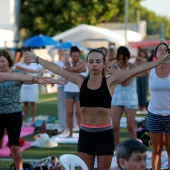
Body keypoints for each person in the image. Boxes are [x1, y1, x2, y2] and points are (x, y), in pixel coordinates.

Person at [27, 48, 170, 170]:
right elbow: (57, 69)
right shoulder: (79, 80)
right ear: (87, 64)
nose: (94, 64)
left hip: (105, 136)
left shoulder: (110, 81)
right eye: (91, 61)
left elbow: (138, 69)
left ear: (103, 64)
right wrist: (37, 59)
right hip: (85, 135)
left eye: (98, 61)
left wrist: (159, 61)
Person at [0, 49, 67, 170]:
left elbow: (36, 79)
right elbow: (31, 78)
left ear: (8, 61)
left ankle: (18, 168)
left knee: (14, 146)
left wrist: (56, 81)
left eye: (3, 61)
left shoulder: (17, 72)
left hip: (13, 114)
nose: (1, 64)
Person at [111, 46, 145, 148]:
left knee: (131, 126)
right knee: (114, 126)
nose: (121, 61)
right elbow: (120, 80)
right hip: (117, 98)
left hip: (130, 99)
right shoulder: (114, 67)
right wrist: (125, 75)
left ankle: (134, 149)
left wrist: (119, 77)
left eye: (123, 59)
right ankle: (116, 150)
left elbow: (125, 82)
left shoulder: (132, 66)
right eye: (119, 58)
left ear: (127, 57)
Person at [146, 43, 170, 170]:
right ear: (155, 54)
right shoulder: (150, 69)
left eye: (166, 50)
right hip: (154, 114)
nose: (163, 51)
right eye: (160, 49)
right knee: (156, 150)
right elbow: (131, 72)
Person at [63, 46, 88, 137]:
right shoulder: (67, 63)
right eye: (73, 56)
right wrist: (77, 69)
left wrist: (71, 69)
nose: (75, 58)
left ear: (79, 55)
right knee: (69, 112)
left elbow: (72, 69)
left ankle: (82, 133)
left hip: (79, 91)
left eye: (77, 56)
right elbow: (74, 69)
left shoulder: (83, 62)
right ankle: (70, 133)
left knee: (79, 113)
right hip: (68, 90)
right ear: (70, 56)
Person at [15, 51, 44, 125]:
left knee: (33, 103)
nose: (27, 57)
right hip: (24, 86)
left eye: (29, 56)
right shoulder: (20, 64)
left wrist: (39, 73)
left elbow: (44, 67)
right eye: (26, 56)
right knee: (25, 103)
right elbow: (16, 67)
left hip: (33, 86)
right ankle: (24, 119)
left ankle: (33, 119)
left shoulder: (35, 64)